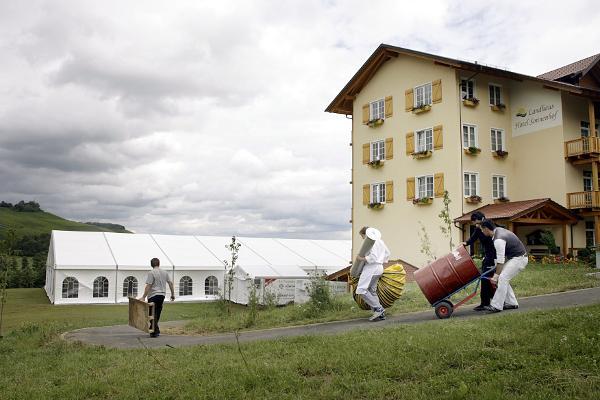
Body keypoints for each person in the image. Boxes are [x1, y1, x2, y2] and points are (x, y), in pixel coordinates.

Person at [480, 220, 528, 313]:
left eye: (482, 230)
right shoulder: (498, 230)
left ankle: (496, 306)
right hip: (516, 258)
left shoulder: (498, 240)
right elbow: (500, 259)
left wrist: (495, 276)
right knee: (504, 278)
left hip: (519, 259)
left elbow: (501, 261)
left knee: (502, 277)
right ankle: (512, 303)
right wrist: (496, 270)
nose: (482, 232)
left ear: (486, 229)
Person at [461, 211, 497, 311]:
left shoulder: (490, 227)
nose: (476, 225)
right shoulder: (478, 229)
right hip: (487, 256)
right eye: (474, 224)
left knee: (487, 279)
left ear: (481, 219)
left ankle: (491, 302)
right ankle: (485, 303)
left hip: (494, 256)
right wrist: (466, 243)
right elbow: (472, 239)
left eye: (476, 222)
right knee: (485, 279)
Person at [355, 226, 391, 321]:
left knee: (361, 290)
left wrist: (361, 259)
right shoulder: (381, 241)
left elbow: (373, 257)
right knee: (371, 290)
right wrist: (381, 260)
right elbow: (388, 254)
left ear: (365, 234)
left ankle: (378, 309)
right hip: (379, 268)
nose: (362, 238)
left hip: (371, 269)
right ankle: (380, 313)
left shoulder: (371, 242)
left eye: (362, 236)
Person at [140, 258, 175, 337]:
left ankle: (154, 331)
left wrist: (143, 297)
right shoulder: (165, 272)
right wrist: (173, 294)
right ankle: (155, 330)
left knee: (151, 313)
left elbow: (148, 285)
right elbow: (170, 283)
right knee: (157, 313)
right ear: (159, 263)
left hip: (153, 295)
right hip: (162, 295)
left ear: (151, 265)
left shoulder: (151, 272)